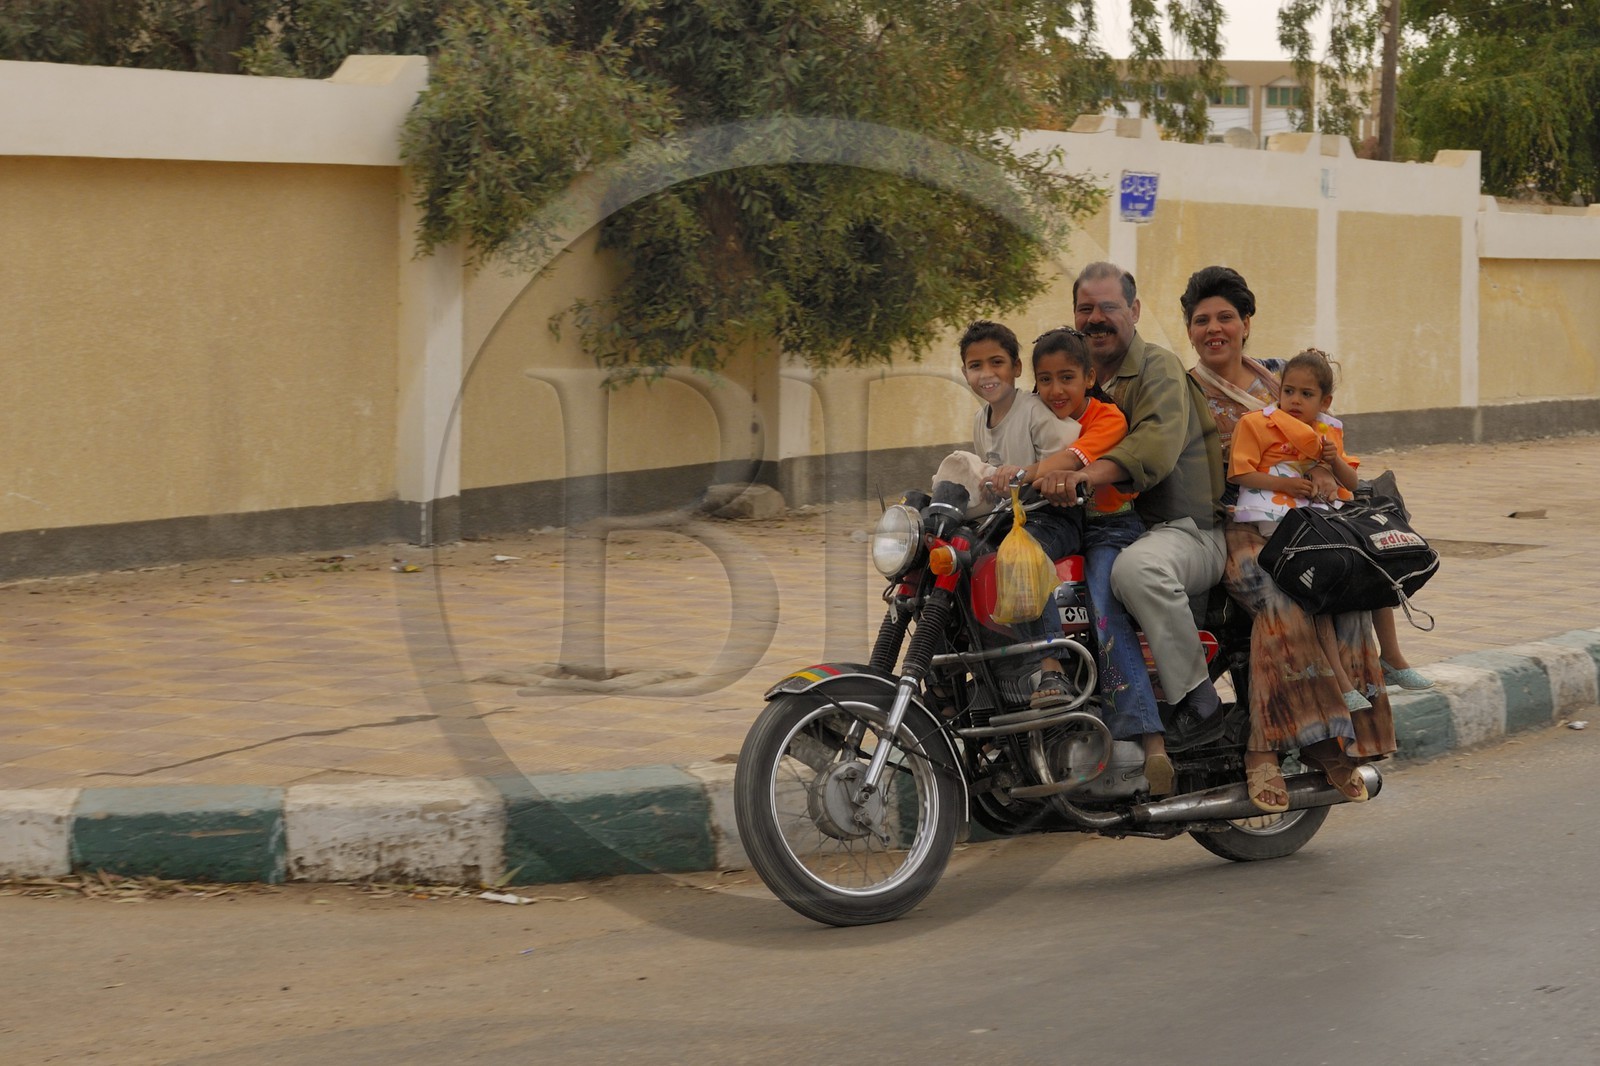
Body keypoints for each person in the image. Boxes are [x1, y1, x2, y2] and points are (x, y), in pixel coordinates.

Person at [1179, 265, 1394, 813]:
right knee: (1282, 602)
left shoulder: (1282, 380)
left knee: (1348, 596)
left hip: (1306, 526)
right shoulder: (1186, 393)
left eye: (1226, 316)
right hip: (1239, 531)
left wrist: (1324, 474)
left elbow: (1330, 446)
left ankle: (1344, 738)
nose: (1214, 329)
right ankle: (1265, 750)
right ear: (1189, 330)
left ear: (1246, 323)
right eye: (1201, 320)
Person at [1042, 262, 1227, 749]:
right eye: (1086, 309)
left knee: (1134, 572)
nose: (1096, 319)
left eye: (1109, 307)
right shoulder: (1073, 384)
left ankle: (1197, 699)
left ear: (1135, 311)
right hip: (1110, 530)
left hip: (1183, 531)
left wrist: (1081, 477)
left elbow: (1155, 446)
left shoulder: (1157, 368)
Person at [989, 327, 1172, 793]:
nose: (1055, 390)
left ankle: (1151, 743)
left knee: (1106, 612)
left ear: (1089, 377)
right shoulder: (1031, 416)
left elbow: (1070, 459)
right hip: (1063, 522)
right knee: (1017, 560)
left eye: (1067, 377)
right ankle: (1036, 677)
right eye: (1045, 379)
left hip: (1110, 527)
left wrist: (1027, 475)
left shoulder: (1106, 417)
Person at [1229, 349, 1368, 711]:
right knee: (1319, 583)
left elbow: (1351, 483)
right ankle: (1339, 679)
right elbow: (1240, 473)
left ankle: (1393, 658)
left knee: (1367, 568)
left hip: (1320, 519)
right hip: (1277, 518)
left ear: (1325, 401)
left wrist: (1330, 460)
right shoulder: (1258, 423)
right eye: (1288, 391)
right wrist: (1289, 487)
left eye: (1306, 395)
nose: (1294, 400)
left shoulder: (1327, 431)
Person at [954, 319, 1082, 708]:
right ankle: (974, 674)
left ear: (1016, 368)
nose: (987, 374)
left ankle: (1051, 666)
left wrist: (1029, 475)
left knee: (1017, 556)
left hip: (1056, 516)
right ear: (965, 373)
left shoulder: (1035, 411)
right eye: (976, 366)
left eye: (997, 363)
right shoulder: (981, 420)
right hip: (1009, 518)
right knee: (955, 559)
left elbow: (1071, 460)